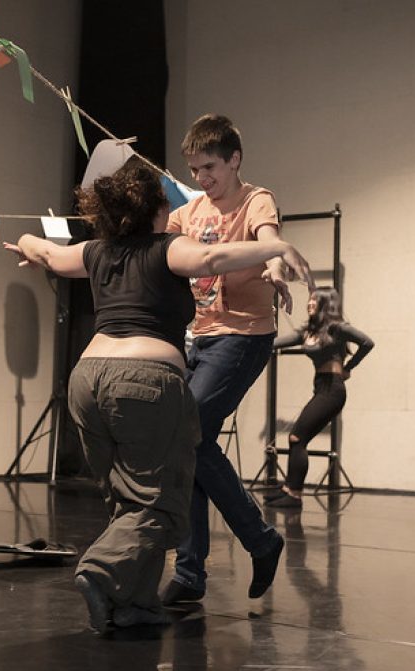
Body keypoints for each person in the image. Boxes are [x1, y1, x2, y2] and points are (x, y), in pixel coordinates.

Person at [4, 163, 313, 633]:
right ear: (156, 211)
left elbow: (44, 251)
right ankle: (100, 570)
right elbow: (211, 260)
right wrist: (275, 246)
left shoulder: (94, 251)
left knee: (128, 500)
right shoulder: (169, 249)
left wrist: (28, 247)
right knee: (160, 508)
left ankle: (135, 606)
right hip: (144, 383)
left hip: (86, 384)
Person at [161, 114, 314, 606]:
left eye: (210, 167)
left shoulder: (255, 199)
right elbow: (165, 249)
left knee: (187, 431)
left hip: (243, 337)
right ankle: (195, 573)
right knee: (187, 442)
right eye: (194, 169)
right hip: (196, 338)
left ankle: (253, 540)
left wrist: (272, 265)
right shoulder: (190, 210)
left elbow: (269, 241)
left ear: (234, 160)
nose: (202, 178)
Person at [266, 287, 374, 508]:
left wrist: (348, 367)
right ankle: (289, 489)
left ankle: (294, 495)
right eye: (310, 300)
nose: (310, 303)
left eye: (315, 300)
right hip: (321, 387)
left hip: (333, 390)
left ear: (326, 304)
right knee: (296, 439)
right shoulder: (307, 332)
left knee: (297, 438)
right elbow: (273, 344)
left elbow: (367, 342)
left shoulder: (336, 328)